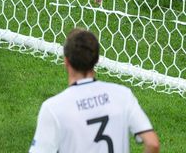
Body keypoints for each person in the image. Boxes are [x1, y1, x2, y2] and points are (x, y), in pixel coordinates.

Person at [29, 28, 159, 153]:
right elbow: (152, 143)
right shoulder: (122, 95)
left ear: (66, 61)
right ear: (96, 59)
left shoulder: (53, 108)